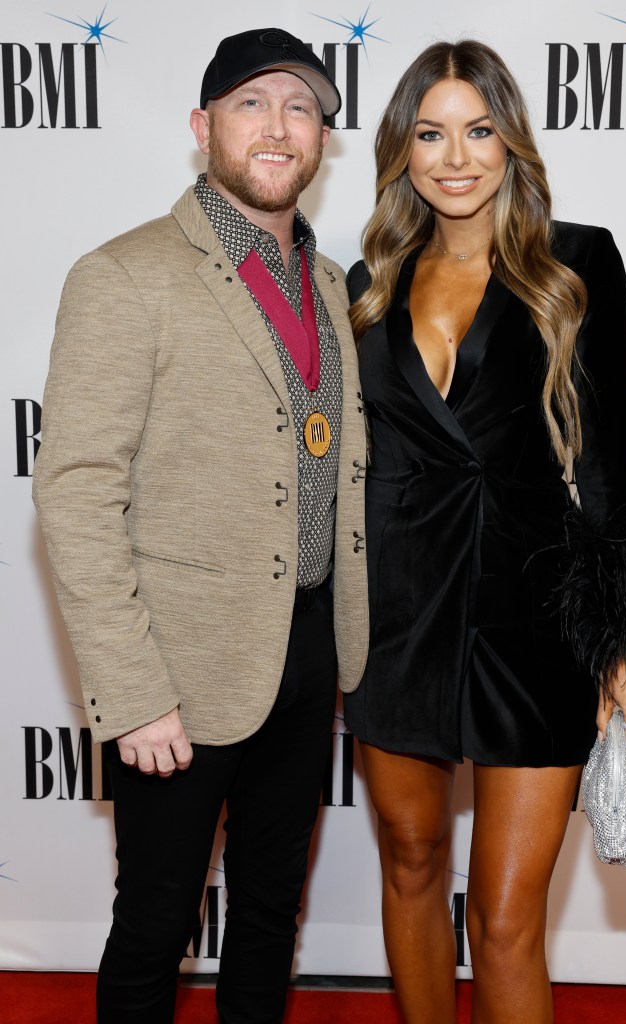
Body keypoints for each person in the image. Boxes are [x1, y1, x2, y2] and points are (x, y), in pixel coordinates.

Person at [344, 40, 626, 1024]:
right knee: (411, 864)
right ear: (400, 150)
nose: (454, 156)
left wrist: (621, 638)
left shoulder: (574, 263)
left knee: (504, 917)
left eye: (477, 130)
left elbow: (605, 466)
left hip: (531, 622)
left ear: (510, 143)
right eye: (429, 132)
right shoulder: (363, 285)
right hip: (397, 619)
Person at [32, 27, 368, 1024]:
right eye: (251, 103)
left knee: (270, 914)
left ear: (319, 141)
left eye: (300, 108)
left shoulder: (328, 284)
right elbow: (76, 489)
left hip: (308, 653)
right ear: (202, 126)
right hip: (174, 670)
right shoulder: (124, 274)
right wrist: (133, 696)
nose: (277, 127)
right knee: (154, 923)